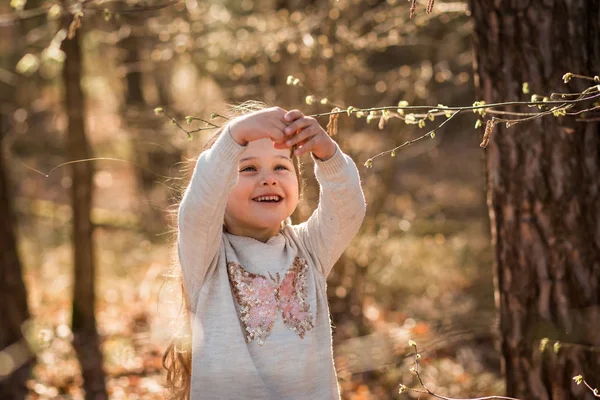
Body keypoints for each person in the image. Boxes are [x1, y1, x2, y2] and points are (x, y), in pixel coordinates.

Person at [163, 105, 366, 399]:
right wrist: (234, 136)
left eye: (281, 167)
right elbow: (198, 207)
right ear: (220, 185)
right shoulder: (207, 257)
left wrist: (328, 154)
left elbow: (348, 209)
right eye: (248, 168)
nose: (269, 179)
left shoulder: (309, 249)